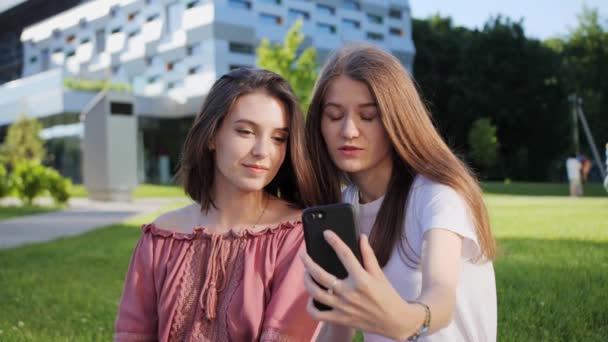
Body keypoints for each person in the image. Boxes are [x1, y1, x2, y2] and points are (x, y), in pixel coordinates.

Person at [301, 44, 497, 341]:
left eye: (368, 116)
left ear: (397, 119)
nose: (349, 130)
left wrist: (404, 321)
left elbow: (441, 297)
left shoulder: (436, 194)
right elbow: (338, 328)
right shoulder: (342, 208)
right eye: (334, 115)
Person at [114, 68, 320, 341]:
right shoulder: (161, 236)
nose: (263, 151)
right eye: (246, 132)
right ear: (212, 136)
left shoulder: (297, 235)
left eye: (278, 138)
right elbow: (133, 334)